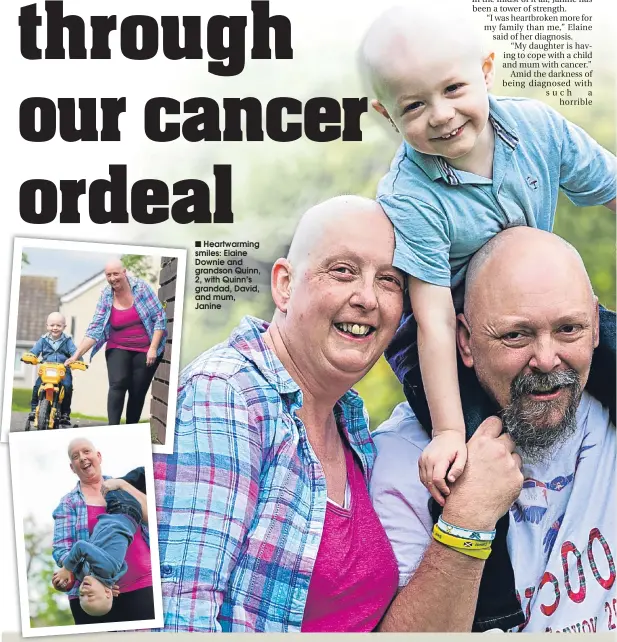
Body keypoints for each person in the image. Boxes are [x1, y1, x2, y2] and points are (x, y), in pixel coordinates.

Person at [154, 196, 523, 633]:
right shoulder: (225, 396)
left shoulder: (349, 424)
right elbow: (180, 620)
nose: (367, 298)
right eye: (343, 271)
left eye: (389, 280)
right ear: (284, 285)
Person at [358, 2, 616, 501]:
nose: (441, 115)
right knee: (475, 468)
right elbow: (434, 323)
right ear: (386, 114)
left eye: (454, 88)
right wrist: (449, 432)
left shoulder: (539, 130)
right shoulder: (410, 196)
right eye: (413, 106)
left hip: (533, 308)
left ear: (486, 70)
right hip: (444, 337)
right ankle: (489, 570)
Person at [370, 227, 616, 632]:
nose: (547, 359)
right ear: (465, 342)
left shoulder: (607, 405)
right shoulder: (403, 459)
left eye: (568, 329)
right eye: (516, 335)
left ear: (593, 323)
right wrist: (466, 521)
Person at [52, 438, 155, 625]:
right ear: (72, 467)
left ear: (98, 456)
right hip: (91, 599)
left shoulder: (121, 486)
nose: (82, 458)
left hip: (143, 584)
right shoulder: (68, 503)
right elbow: (61, 549)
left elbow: (152, 517)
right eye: (76, 456)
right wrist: (101, 581)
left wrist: (123, 485)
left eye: (86, 452)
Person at [65, 260, 167, 425]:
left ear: (124, 272)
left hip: (146, 349)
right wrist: (77, 354)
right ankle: (112, 428)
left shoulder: (141, 289)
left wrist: (153, 348)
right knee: (118, 384)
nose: (112, 278)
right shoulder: (106, 295)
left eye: (116, 274)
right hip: (118, 345)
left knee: (137, 392)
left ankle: (130, 429)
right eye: (108, 275)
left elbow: (159, 319)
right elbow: (95, 328)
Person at [28, 312, 80, 426]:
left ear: (64, 327)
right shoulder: (43, 340)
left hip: (62, 370)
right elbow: (34, 351)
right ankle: (33, 409)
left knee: (67, 386)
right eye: (52, 325)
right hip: (47, 369)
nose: (55, 328)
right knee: (37, 386)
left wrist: (77, 361)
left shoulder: (67, 340)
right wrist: (30, 356)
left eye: (58, 325)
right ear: (47, 326)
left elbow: (74, 353)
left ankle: (65, 413)